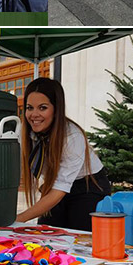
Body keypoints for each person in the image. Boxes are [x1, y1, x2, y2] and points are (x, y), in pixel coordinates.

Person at [17, 77, 111, 231]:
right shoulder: (25, 133)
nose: (34, 115)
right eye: (29, 107)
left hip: (88, 186)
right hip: (55, 185)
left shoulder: (72, 137)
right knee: (46, 232)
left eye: (42, 108)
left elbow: (59, 190)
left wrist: (19, 219)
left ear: (56, 109)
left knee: (78, 237)